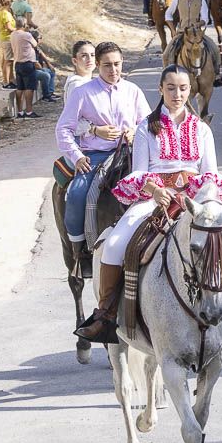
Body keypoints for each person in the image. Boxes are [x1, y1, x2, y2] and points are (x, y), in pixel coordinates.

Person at [75, 64, 222, 349]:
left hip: (194, 201)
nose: (177, 94)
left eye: (183, 88)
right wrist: (155, 189)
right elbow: (137, 173)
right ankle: (106, 315)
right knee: (113, 245)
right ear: (160, 89)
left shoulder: (202, 130)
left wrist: (200, 197)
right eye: (170, 88)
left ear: (190, 90)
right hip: (153, 199)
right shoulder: (147, 127)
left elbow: (210, 173)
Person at [56, 42, 151, 276]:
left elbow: (148, 123)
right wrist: (77, 156)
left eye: (117, 64)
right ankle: (81, 254)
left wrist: (135, 132)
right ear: (97, 65)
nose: (113, 70)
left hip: (130, 153)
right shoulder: (83, 92)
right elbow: (63, 129)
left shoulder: (133, 90)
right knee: (77, 193)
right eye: (107, 65)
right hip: (96, 156)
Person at [164, 0, 222, 87]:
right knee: (166, 54)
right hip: (182, 33)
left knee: (215, 49)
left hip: (197, 34)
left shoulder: (202, 1)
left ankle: (217, 75)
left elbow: (205, 19)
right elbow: (168, 15)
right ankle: (166, 80)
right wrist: (173, 29)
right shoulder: (177, 0)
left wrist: (199, 24)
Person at [9, 17, 40, 119]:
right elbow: (35, 44)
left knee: (20, 88)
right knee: (29, 88)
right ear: (24, 24)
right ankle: (29, 111)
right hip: (27, 63)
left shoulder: (12, 34)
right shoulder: (26, 35)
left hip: (18, 63)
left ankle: (20, 111)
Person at [31, 30, 58, 103]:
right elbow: (36, 65)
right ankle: (46, 96)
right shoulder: (30, 49)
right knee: (45, 75)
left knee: (51, 72)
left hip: (38, 68)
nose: (41, 39)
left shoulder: (36, 47)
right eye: (40, 38)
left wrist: (49, 64)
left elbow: (42, 55)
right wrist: (42, 69)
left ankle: (50, 92)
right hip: (32, 70)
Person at [0, 0, 15, 88]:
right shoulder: (5, 13)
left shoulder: (1, 11)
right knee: (8, 61)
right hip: (7, 39)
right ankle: (6, 82)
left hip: (4, 38)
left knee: (6, 60)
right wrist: (20, 30)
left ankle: (10, 80)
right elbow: (9, 28)